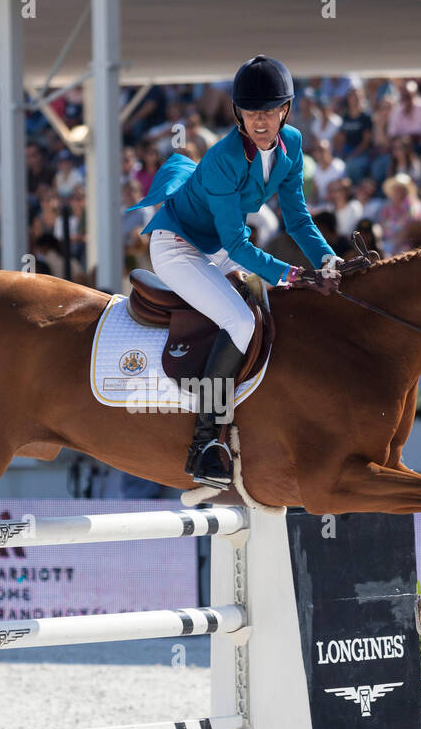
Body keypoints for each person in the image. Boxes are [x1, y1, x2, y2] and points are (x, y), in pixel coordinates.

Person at [126, 55, 341, 487]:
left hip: (218, 245)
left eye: (269, 111)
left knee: (269, 309)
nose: (260, 121)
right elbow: (239, 246)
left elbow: (297, 219)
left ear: (285, 110)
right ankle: (204, 445)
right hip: (180, 245)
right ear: (238, 113)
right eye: (251, 112)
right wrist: (294, 275)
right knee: (241, 321)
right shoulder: (225, 157)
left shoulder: (293, 144)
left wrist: (326, 259)